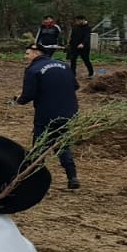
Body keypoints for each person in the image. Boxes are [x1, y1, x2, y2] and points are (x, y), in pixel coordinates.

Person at [18, 45, 80, 190]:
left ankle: (37, 181)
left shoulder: (33, 70)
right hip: (68, 112)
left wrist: (18, 100)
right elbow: (75, 86)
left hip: (46, 113)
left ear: (36, 53)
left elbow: (28, 95)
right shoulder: (64, 66)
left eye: (27, 53)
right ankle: (72, 177)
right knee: (62, 145)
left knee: (39, 146)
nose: (25, 57)